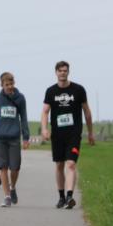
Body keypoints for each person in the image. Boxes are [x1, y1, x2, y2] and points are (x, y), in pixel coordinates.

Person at [41, 60, 95, 209]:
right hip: (57, 134)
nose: (62, 73)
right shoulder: (50, 91)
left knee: (70, 164)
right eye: (60, 71)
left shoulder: (78, 90)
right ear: (56, 72)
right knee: (59, 165)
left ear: (68, 72)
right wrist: (44, 129)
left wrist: (90, 132)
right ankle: (61, 196)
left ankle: (70, 196)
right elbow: (45, 112)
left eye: (65, 70)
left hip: (74, 133)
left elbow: (87, 112)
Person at [0, 72, 30, 208]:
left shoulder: (20, 98)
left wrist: (26, 137)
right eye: (7, 85)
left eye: (11, 84)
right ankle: (6, 197)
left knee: (15, 167)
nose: (10, 87)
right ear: (2, 85)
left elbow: (23, 118)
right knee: (3, 167)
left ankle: (12, 187)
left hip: (14, 138)